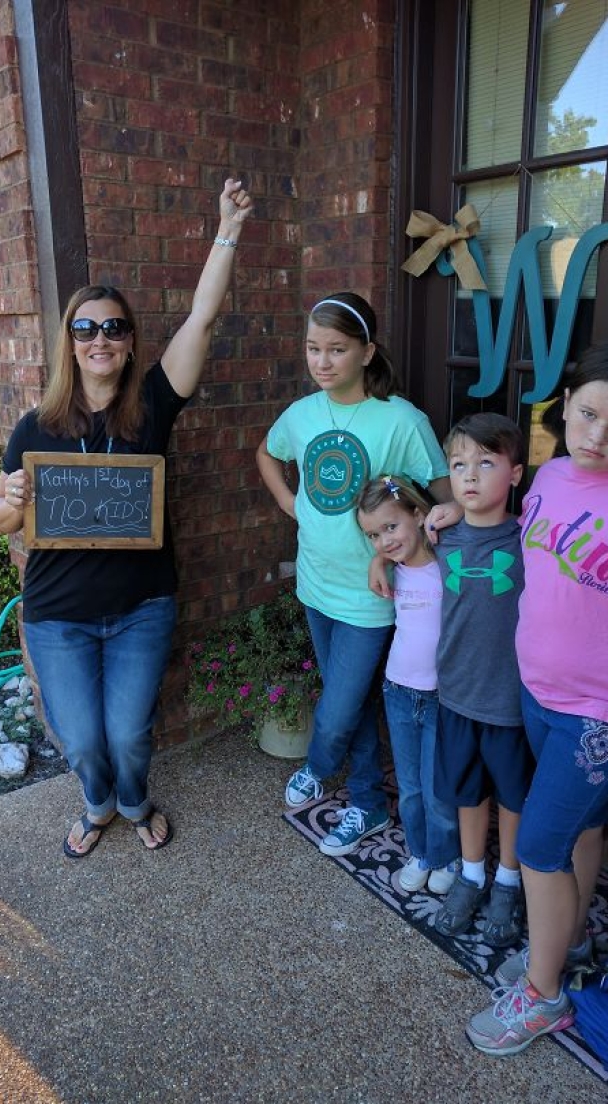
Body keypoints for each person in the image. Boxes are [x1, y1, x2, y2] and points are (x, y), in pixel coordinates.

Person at [0, 177, 253, 858]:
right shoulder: (34, 426)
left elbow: (200, 318)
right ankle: (98, 802)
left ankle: (134, 799)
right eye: (86, 328)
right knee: (80, 737)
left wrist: (226, 229)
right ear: (69, 343)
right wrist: (10, 505)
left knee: (130, 731)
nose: (99, 338)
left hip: (141, 606)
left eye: (113, 327)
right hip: (55, 614)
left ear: (130, 342)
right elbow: (0, 520)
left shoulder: (154, 407)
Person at [465, 342, 608, 1056]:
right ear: (565, 403)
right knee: (584, 829)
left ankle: (542, 999)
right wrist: (447, 513)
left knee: (538, 847)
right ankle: (559, 944)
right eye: (588, 413)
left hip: (597, 714)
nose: (597, 435)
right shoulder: (551, 475)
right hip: (539, 694)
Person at [255, 292, 457, 857]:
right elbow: (267, 455)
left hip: (372, 595)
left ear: (367, 352)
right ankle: (367, 804)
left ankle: (318, 766)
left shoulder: (401, 420)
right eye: (313, 349)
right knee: (358, 705)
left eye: (337, 350)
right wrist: (290, 503)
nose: (322, 362)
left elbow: (438, 501)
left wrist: (402, 548)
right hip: (316, 586)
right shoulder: (301, 415)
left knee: (340, 706)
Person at [428, 414, 535, 948]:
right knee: (468, 791)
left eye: (486, 464)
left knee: (513, 796)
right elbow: (389, 531)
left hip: (509, 698)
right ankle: (472, 875)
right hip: (457, 691)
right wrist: (380, 560)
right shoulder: (441, 532)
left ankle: (508, 884)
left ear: (515, 473)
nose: (470, 476)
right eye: (459, 464)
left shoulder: (533, 539)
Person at [355, 475, 460, 894]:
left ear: (418, 514)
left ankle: (446, 855)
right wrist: (378, 560)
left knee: (438, 789)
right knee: (411, 788)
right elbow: (386, 553)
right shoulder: (394, 568)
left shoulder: (449, 562)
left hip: (441, 696)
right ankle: (420, 852)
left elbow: (486, 523)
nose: (383, 540)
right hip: (398, 690)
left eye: (391, 527)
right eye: (373, 536)